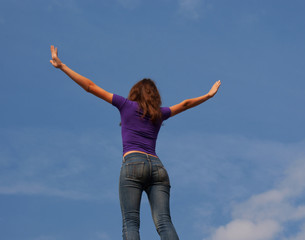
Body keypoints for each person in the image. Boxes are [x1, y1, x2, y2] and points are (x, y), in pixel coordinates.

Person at [50, 45, 221, 240]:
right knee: (164, 222)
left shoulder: (125, 105)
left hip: (132, 164)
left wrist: (62, 66)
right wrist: (208, 95)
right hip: (158, 167)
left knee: (131, 222)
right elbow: (184, 104)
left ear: (134, 93)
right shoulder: (159, 113)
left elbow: (90, 87)